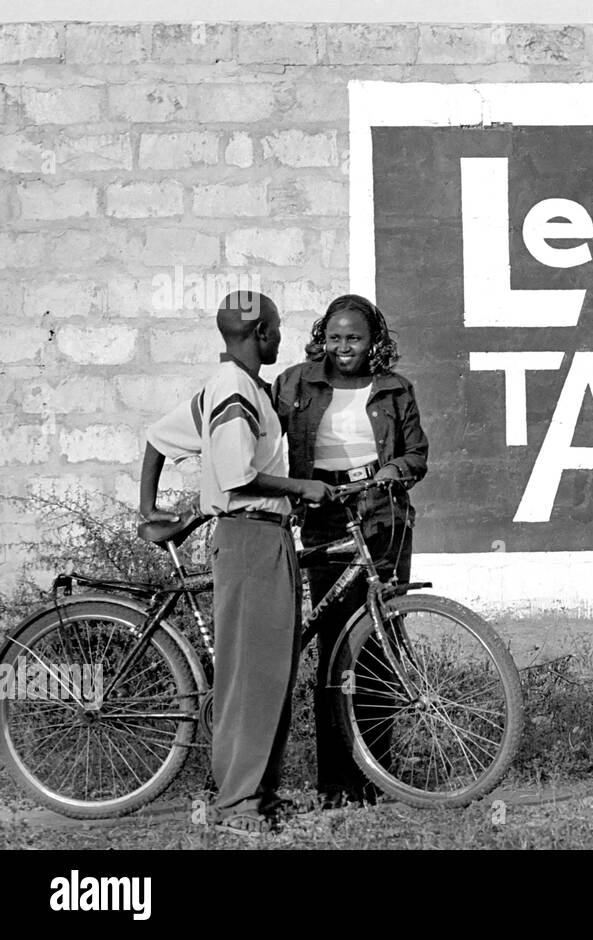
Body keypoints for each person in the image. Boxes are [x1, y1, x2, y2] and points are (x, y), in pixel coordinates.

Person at [138, 291, 334, 836]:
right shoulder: (233, 391)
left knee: (268, 674)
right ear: (262, 334)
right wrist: (301, 485)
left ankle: (260, 795)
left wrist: (148, 508)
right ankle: (235, 805)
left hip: (265, 539)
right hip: (250, 539)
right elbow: (238, 476)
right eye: (276, 330)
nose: (279, 339)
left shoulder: (236, 389)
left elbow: (157, 437)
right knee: (250, 677)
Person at [272, 294, 428, 809]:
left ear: (374, 341)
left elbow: (415, 455)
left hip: (381, 515)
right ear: (323, 336)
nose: (344, 348)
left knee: (378, 641)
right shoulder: (295, 383)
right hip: (323, 513)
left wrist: (392, 473)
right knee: (336, 644)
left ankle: (377, 774)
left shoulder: (394, 388)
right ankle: (336, 782)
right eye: (335, 337)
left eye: (355, 338)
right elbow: (266, 439)